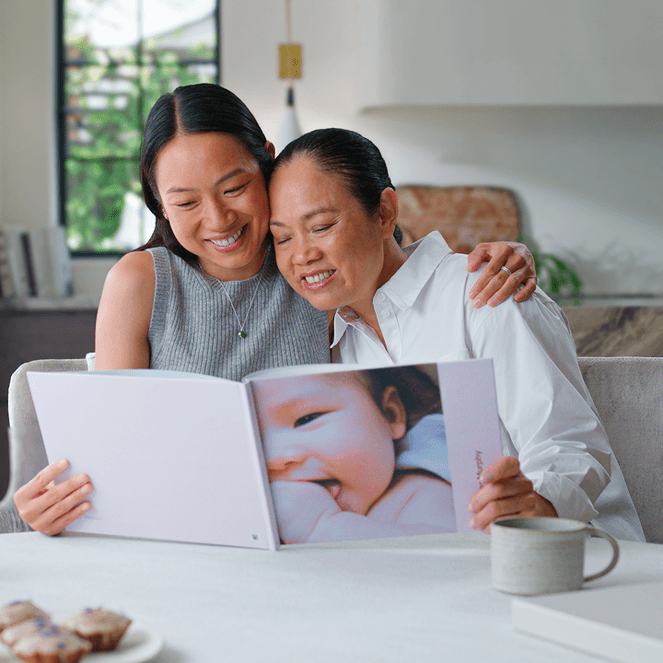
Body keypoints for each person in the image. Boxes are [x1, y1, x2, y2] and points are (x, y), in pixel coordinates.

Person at [12, 84, 537, 536]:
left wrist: (504, 256)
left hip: (317, 534)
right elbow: (113, 445)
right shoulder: (140, 281)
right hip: (186, 529)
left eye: (235, 187)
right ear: (158, 202)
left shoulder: (313, 274)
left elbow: (405, 276)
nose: (218, 219)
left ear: (266, 160)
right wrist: (48, 507)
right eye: (187, 203)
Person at [267, 127, 645, 541]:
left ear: (385, 213)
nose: (301, 255)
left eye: (321, 226)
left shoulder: (486, 292)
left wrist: (538, 500)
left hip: (571, 553)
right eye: (283, 237)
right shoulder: (338, 344)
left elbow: (569, 442)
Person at [253, 365, 453, 544]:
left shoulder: (419, 490)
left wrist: (320, 529)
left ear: (390, 414)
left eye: (307, 419)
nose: (273, 460)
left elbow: (450, 559)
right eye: (255, 440)